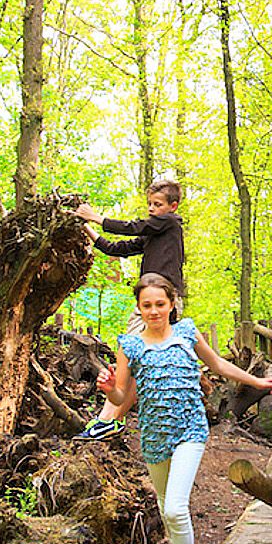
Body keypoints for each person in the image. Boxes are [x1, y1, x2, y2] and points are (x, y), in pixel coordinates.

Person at [96, 273, 272, 544]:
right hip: (153, 437)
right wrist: (109, 389)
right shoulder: (130, 345)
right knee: (168, 509)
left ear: (172, 305)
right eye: (147, 305)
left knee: (176, 509)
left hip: (190, 432)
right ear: (139, 308)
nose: (154, 311)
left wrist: (257, 381)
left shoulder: (185, 333)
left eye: (160, 304)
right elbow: (122, 396)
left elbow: (218, 365)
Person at [73, 179, 187, 440]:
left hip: (161, 300)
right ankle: (110, 420)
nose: (151, 209)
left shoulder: (170, 223)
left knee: (129, 353)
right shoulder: (153, 234)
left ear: (173, 206)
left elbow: (132, 227)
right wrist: (89, 229)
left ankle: (108, 420)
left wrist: (97, 217)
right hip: (151, 300)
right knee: (136, 361)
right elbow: (117, 248)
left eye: (157, 205)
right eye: (149, 204)